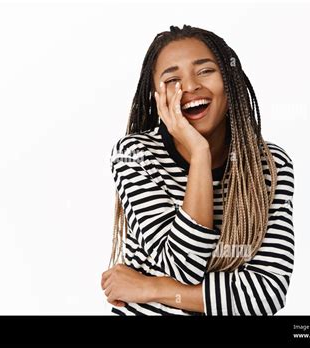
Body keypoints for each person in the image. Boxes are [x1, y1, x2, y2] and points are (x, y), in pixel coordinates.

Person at [101, 24, 295, 315]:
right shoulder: (135, 156)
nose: (190, 86)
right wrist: (200, 154)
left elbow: (265, 294)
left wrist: (149, 288)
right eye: (172, 79)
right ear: (157, 96)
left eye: (205, 71)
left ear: (230, 82)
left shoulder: (270, 165)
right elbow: (183, 267)